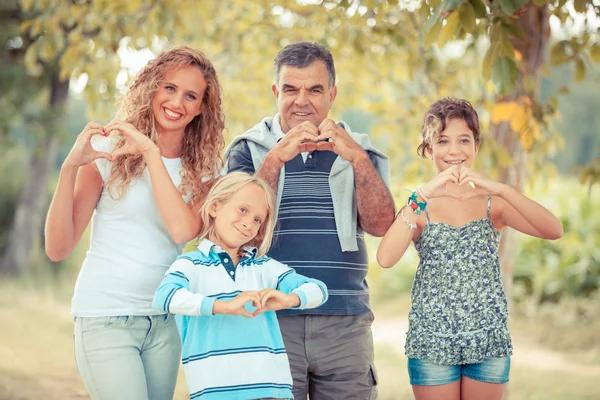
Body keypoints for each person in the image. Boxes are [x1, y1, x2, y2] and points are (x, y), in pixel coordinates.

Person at [44, 46, 226, 400]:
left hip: (164, 319)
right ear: (152, 87)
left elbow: (182, 230)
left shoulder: (208, 172)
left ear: (202, 107)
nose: (177, 102)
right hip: (105, 316)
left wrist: (151, 154)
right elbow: (58, 248)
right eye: (169, 88)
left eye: (191, 96)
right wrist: (69, 167)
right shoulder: (108, 152)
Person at [225, 41, 395, 399]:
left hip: (345, 323)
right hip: (269, 319)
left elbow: (381, 225)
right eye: (290, 89)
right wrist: (274, 160)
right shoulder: (247, 149)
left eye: (314, 89)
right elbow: (237, 235)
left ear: (331, 95)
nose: (301, 100)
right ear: (276, 92)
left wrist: (358, 160)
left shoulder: (361, 149)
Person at [377, 98, 564, 400]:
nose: (454, 151)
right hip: (432, 343)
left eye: (464, 140)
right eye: (442, 141)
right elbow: (385, 258)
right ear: (428, 149)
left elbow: (554, 229)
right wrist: (422, 194)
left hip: (487, 340)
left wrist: (500, 188)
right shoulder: (418, 208)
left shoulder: (494, 205)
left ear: (476, 147)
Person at [152, 171, 328, 399]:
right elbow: (164, 297)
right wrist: (226, 306)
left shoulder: (263, 266)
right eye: (243, 210)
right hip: (214, 393)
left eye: (257, 219)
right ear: (215, 207)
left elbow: (318, 290)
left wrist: (288, 299)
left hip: (270, 391)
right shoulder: (191, 265)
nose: (248, 223)